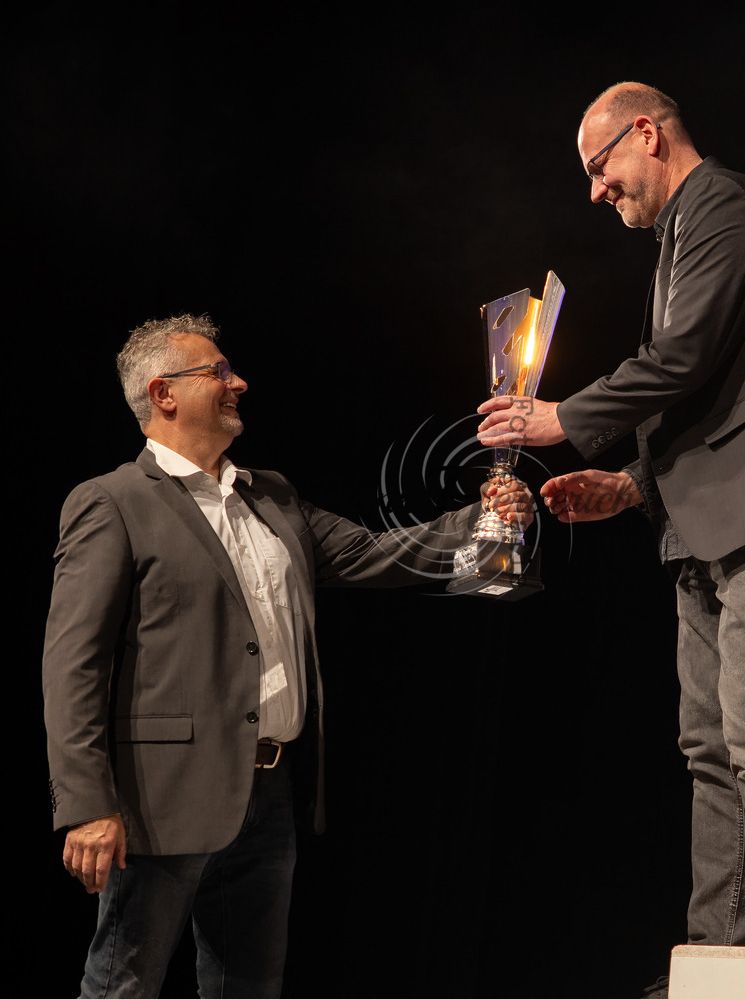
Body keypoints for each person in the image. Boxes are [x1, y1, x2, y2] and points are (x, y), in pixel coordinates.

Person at [476, 82, 745, 997]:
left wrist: (560, 420)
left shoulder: (726, 204)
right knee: (710, 747)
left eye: (599, 166)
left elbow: (682, 360)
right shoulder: (682, 237)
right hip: (707, 523)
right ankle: (717, 960)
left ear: (645, 134)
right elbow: (706, 391)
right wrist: (627, 486)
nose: (596, 191)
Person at [43, 313, 533, 999]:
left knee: (249, 987)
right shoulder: (113, 502)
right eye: (216, 372)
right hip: (158, 796)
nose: (237, 381)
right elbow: (73, 665)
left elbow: (375, 554)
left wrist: (483, 520)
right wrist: (86, 804)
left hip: (268, 793)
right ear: (162, 394)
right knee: (122, 984)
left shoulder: (270, 495)